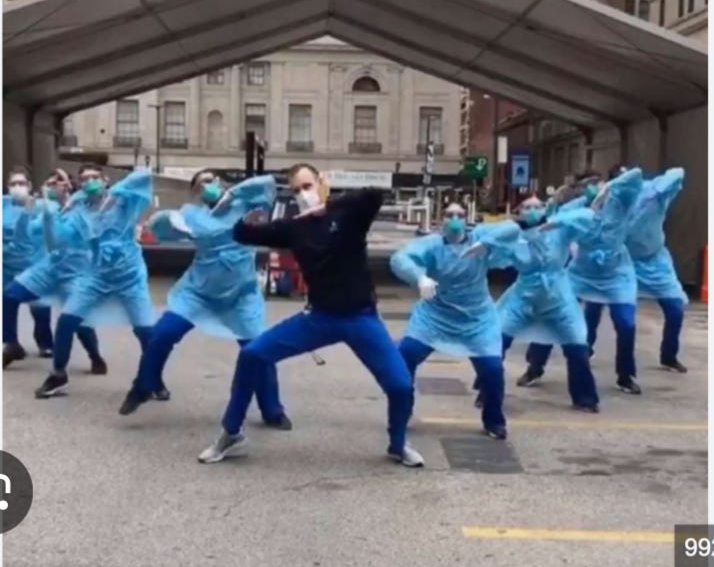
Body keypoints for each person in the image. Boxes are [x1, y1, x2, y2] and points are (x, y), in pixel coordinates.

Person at [198, 163, 422, 467]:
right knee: (252, 355)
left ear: (320, 182)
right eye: (296, 190)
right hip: (320, 318)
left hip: (361, 318)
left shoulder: (348, 216)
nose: (303, 194)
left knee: (400, 385)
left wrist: (329, 203)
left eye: (307, 186)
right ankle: (231, 433)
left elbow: (373, 196)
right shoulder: (295, 228)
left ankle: (397, 444)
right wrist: (228, 203)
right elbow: (242, 232)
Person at [118, 170, 290, 429]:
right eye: (202, 184)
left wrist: (233, 194)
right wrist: (168, 218)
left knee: (257, 350)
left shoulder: (244, 204)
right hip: (198, 292)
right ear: (195, 193)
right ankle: (143, 386)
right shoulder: (192, 213)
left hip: (240, 295)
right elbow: (162, 229)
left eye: (212, 180)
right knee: (162, 333)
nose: (209, 186)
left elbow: (267, 184)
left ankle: (272, 410)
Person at [390, 202, 521, 440]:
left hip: (477, 318)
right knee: (406, 356)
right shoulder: (432, 244)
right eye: (450, 215)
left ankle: (494, 421)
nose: (455, 219)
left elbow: (512, 228)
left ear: (467, 218)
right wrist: (419, 277)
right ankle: (401, 413)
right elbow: (400, 258)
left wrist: (487, 242)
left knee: (492, 370)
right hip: (435, 315)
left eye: (460, 215)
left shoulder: (479, 238)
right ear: (441, 219)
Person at [34, 165, 161, 399]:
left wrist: (114, 193)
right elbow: (55, 244)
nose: (90, 182)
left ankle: (153, 379)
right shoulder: (78, 213)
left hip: (130, 277)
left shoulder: (124, 201)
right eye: (84, 179)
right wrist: (51, 210)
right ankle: (58, 375)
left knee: (145, 331)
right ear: (79, 186)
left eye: (95, 177)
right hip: (97, 276)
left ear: (105, 180)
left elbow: (144, 174)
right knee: (67, 321)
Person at [516, 166, 644, 394]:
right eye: (587, 185)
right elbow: (553, 230)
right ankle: (535, 366)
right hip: (581, 272)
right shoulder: (573, 209)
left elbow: (636, 175)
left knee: (626, 324)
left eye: (597, 182)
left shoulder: (621, 202)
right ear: (581, 189)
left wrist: (611, 187)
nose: (593, 187)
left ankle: (625, 376)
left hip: (616, 273)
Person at [494, 195, 600, 412]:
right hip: (523, 297)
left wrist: (559, 221)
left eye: (537, 206)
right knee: (496, 342)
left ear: (545, 209)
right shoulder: (514, 236)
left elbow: (588, 216)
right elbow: (493, 252)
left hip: (557, 297)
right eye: (527, 207)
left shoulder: (559, 230)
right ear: (519, 211)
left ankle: (585, 398)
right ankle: (489, 393)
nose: (533, 210)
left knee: (577, 346)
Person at [3, 169, 106, 372]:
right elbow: (25, 237)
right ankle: (12, 344)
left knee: (78, 319)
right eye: (49, 184)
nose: (52, 187)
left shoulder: (85, 207)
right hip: (48, 268)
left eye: (57, 183)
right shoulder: (47, 208)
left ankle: (95, 356)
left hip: (75, 273)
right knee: (9, 295)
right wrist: (27, 212)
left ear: (68, 186)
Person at [626, 167, 688, 373]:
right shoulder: (614, 200)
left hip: (656, 262)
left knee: (675, 308)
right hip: (626, 263)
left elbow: (678, 173)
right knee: (603, 307)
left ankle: (669, 356)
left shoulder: (652, 192)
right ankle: (588, 346)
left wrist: (657, 190)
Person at [2, 167, 54, 359]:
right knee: (6, 304)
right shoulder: (3, 205)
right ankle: (11, 343)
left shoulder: (39, 206)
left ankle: (45, 343)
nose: (17, 187)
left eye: (21, 183)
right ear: (7, 186)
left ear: (30, 186)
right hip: (6, 264)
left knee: (40, 307)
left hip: (34, 263)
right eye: (13, 183)